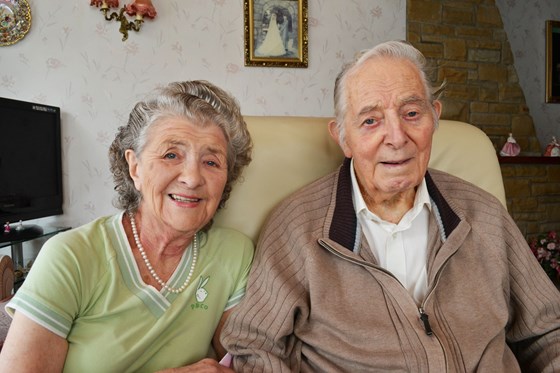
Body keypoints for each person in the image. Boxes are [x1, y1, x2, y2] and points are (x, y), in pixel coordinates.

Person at [221, 40, 560, 372]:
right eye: (370, 121)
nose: (397, 137)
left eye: (412, 113)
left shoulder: (484, 214)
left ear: (435, 118)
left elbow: (548, 330)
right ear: (342, 137)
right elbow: (256, 347)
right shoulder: (296, 227)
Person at [0, 80, 254, 372]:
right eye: (171, 155)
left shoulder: (235, 254)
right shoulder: (70, 256)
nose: (192, 178)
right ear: (135, 167)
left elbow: (246, 360)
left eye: (211, 162)